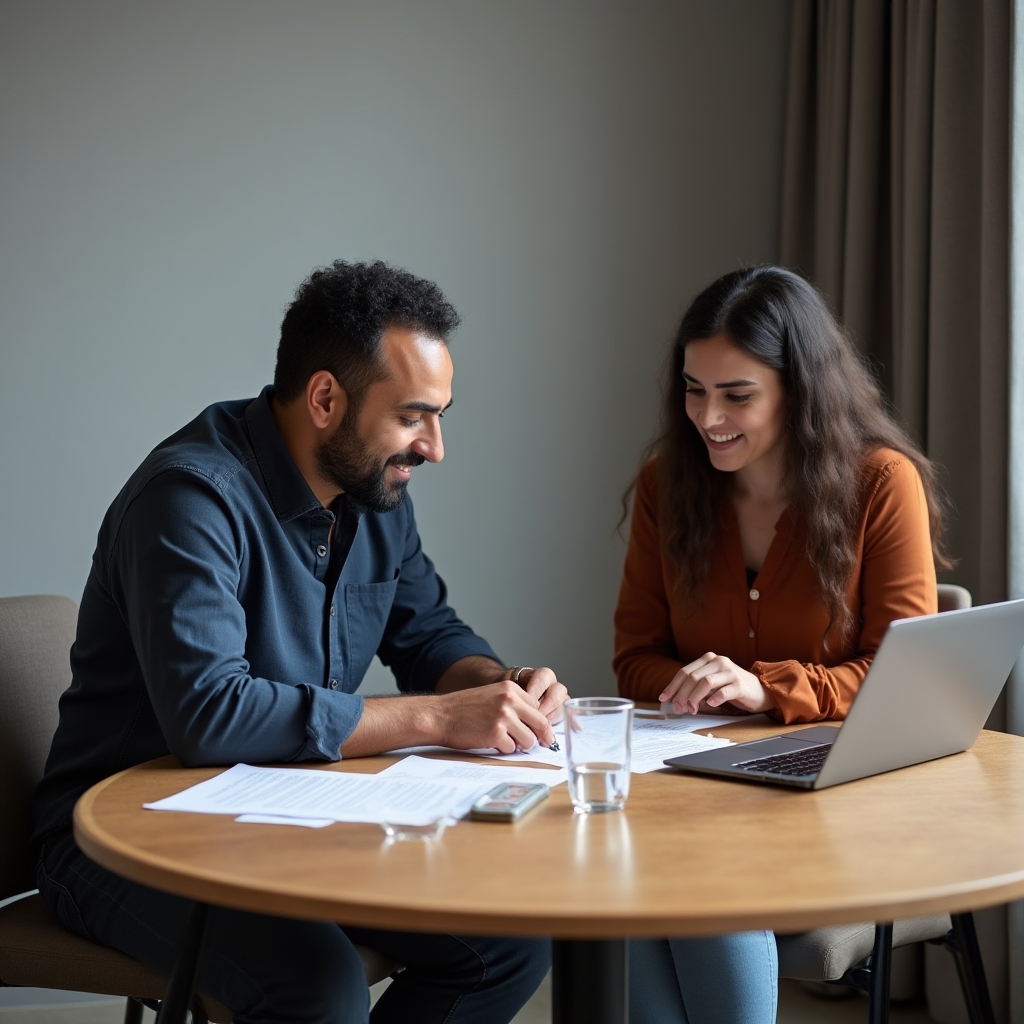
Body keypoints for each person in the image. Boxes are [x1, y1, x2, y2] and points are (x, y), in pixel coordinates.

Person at [32, 260, 569, 1024]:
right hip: (127, 838)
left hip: (283, 819)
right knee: (316, 985)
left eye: (441, 415)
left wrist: (500, 684)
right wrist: (438, 718)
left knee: (508, 943)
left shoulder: (374, 492)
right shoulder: (190, 499)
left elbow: (430, 635)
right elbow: (212, 715)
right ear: (326, 398)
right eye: (415, 415)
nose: (436, 446)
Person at [614, 266, 948, 1024]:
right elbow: (636, 658)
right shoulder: (667, 487)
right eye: (695, 390)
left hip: (845, 793)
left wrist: (767, 689)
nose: (708, 416)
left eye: (738, 395)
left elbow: (904, 678)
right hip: (702, 791)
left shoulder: (879, 484)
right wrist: (698, 686)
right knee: (633, 873)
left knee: (692, 881)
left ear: (800, 390)